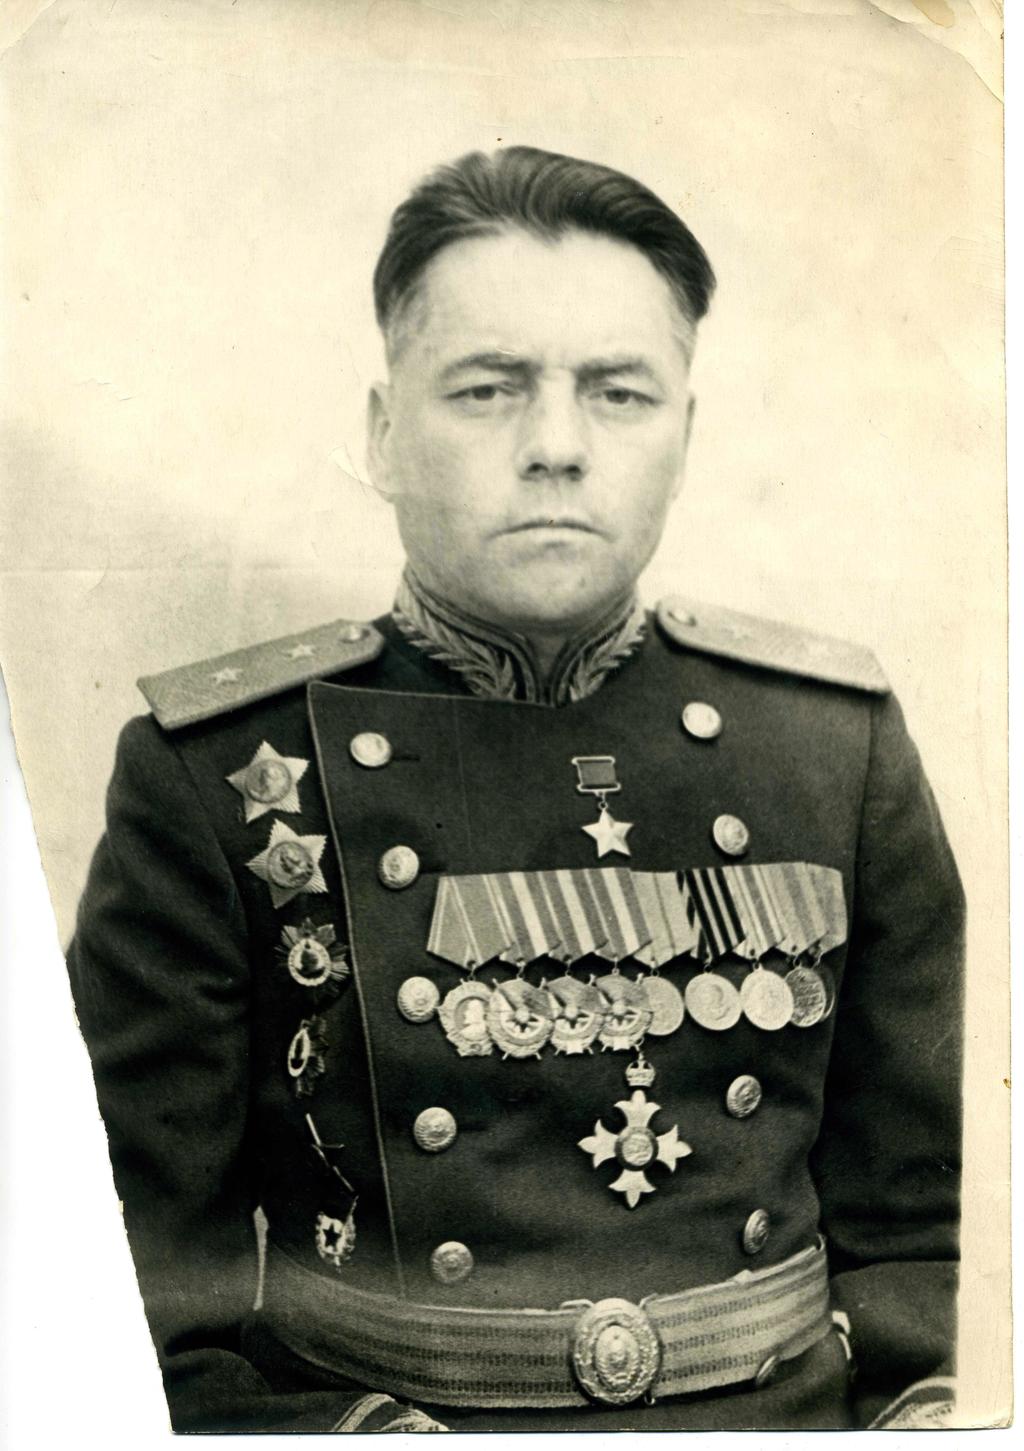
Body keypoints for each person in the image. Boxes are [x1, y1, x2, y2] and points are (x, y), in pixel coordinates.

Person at [66, 146, 963, 1433]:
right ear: (384, 434)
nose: (554, 448)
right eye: (488, 389)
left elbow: (924, 1246)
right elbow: (127, 1304)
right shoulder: (216, 774)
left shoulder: (832, 744)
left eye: (618, 393)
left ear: (685, 435)